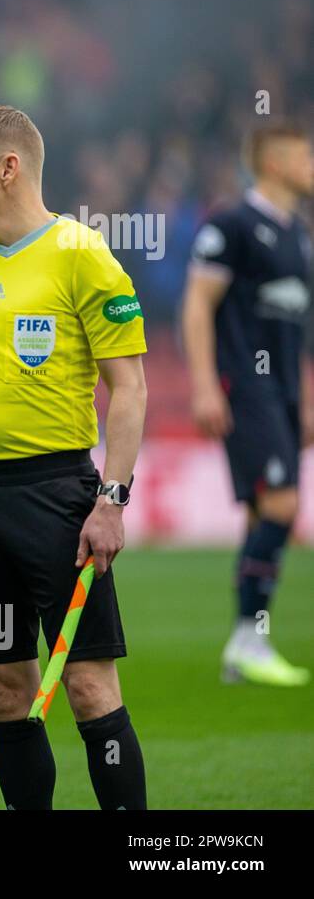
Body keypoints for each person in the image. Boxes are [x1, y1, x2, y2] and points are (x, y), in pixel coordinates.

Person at [0, 104, 149, 810]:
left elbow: (130, 387)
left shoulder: (84, 254)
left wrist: (111, 502)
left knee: (87, 687)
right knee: (1, 692)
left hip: (54, 495)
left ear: (9, 167)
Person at [182, 120, 313, 686]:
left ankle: (246, 643)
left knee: (263, 512)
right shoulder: (232, 224)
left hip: (283, 390)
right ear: (276, 163)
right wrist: (206, 384)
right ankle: (246, 636)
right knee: (282, 506)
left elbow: (297, 328)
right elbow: (197, 304)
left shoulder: (299, 234)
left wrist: (303, 400)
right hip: (246, 385)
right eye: (305, 156)